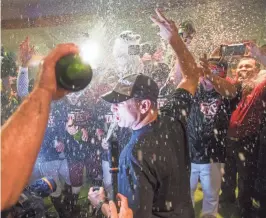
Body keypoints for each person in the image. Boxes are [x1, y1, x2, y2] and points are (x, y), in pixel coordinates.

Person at [88, 9, 199, 218]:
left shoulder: (132, 155)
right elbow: (192, 74)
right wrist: (175, 40)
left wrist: (101, 203)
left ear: (145, 105)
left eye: (120, 102)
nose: (113, 108)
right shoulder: (172, 117)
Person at [188, 57, 240, 218]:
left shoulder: (227, 91)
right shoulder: (195, 89)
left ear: (222, 73)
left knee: (210, 199)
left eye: (213, 71)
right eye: (205, 72)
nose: (206, 76)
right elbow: (179, 78)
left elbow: (230, 91)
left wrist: (211, 76)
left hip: (214, 156)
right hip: (189, 155)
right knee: (183, 197)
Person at [220, 57, 266, 218]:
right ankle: (226, 201)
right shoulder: (234, 87)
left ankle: (243, 210)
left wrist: (258, 54)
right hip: (229, 140)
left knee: (245, 179)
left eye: (248, 66)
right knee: (228, 175)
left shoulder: (259, 88)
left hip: (248, 141)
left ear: (256, 71)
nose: (243, 69)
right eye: (240, 67)